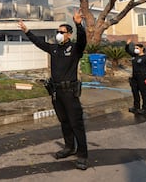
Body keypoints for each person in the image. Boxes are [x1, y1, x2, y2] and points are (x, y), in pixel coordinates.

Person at [18, 9, 88, 170]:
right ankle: (69, 147)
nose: (58, 34)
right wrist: (27, 31)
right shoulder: (54, 48)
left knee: (76, 123)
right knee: (64, 122)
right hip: (56, 93)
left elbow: (83, 40)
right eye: (57, 32)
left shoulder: (75, 49)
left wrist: (79, 24)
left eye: (61, 32)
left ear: (69, 34)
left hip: (70, 92)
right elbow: (38, 42)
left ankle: (82, 155)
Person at [125, 39, 146, 116]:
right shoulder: (134, 56)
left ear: (142, 49)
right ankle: (136, 107)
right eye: (135, 48)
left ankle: (145, 109)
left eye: (137, 48)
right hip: (134, 78)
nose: (135, 49)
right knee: (135, 93)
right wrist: (127, 44)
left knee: (144, 94)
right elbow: (127, 51)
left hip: (143, 78)